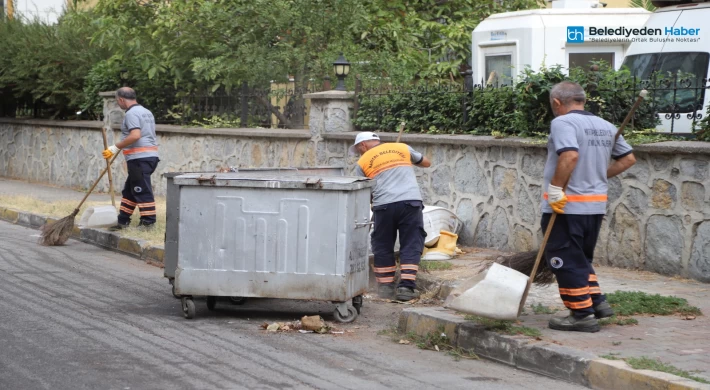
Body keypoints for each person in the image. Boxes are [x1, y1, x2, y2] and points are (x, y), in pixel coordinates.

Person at [542, 81, 636, 332]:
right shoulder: (606, 126)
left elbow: (570, 155)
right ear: (582, 100)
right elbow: (628, 158)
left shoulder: (562, 123)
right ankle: (596, 301)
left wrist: (555, 189)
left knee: (563, 258)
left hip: (566, 207)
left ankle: (581, 314)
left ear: (557, 103)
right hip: (594, 207)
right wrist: (597, 175)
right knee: (580, 258)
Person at [350, 132, 431, 301]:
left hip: (383, 205)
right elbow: (426, 163)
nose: (359, 153)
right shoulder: (402, 148)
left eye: (358, 150)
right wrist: (405, 159)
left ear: (363, 146)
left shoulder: (362, 162)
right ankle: (406, 288)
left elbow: (362, 191)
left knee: (382, 243)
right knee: (411, 242)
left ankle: (385, 288)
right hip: (410, 201)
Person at [102, 87, 160, 231]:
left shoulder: (131, 114)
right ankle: (122, 220)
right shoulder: (146, 112)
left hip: (139, 159)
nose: (118, 104)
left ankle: (148, 222)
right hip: (149, 157)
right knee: (130, 190)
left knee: (141, 189)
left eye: (117, 101)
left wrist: (115, 147)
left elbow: (135, 135)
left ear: (121, 99)